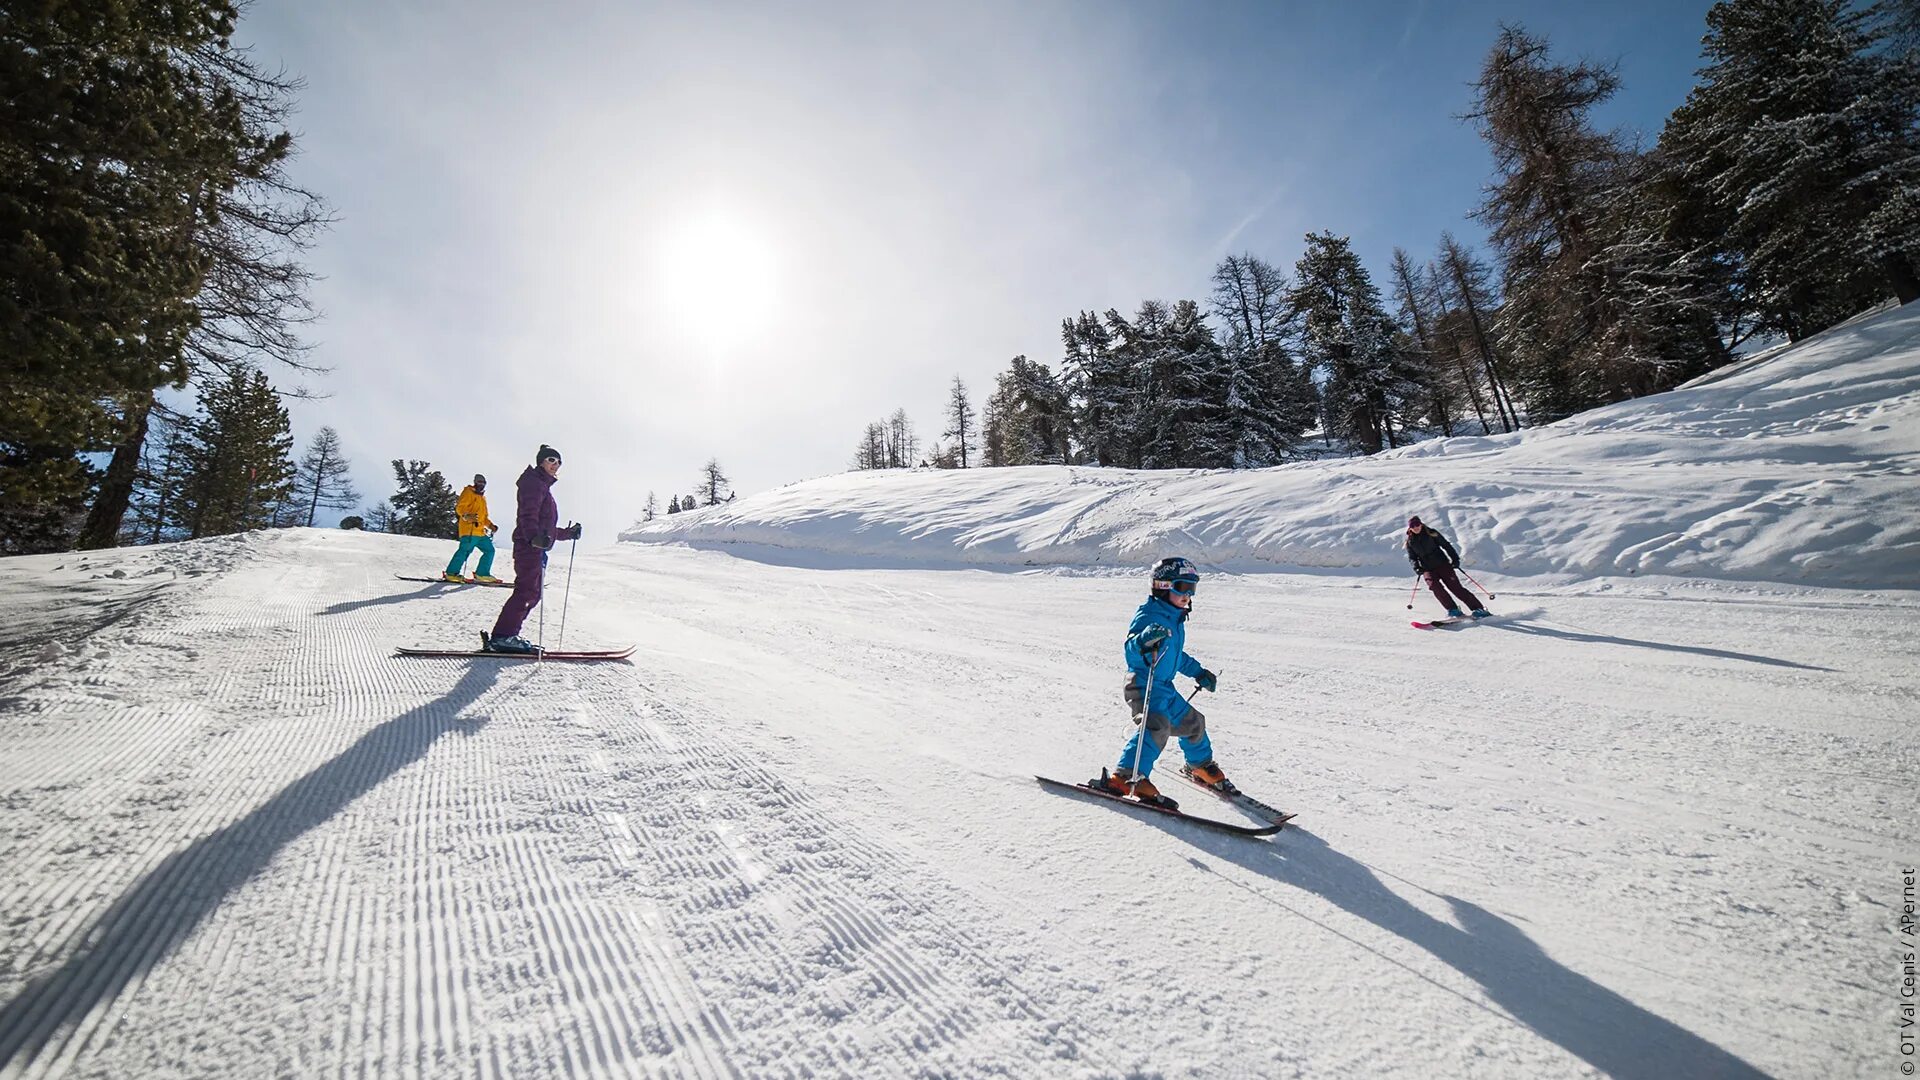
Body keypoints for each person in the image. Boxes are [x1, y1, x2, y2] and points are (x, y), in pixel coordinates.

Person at [1099, 557, 1229, 807]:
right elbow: (1131, 650)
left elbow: (1176, 656)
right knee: (1156, 726)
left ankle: (1199, 767)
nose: (1188, 595)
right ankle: (1126, 776)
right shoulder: (1150, 614)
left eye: (1193, 589)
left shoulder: (1176, 619)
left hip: (1164, 688)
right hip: (1142, 684)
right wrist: (1144, 640)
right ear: (1162, 586)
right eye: (1183, 587)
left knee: (1194, 723)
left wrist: (1199, 672)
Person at [485, 445, 583, 653]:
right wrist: (532, 538)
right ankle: (503, 636)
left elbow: (546, 527)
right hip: (529, 546)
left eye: (558, 462)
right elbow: (527, 515)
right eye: (551, 459)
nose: (555, 465)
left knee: (534, 592)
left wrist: (568, 533)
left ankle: (508, 635)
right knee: (527, 590)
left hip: (537, 547)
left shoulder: (543, 487)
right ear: (541, 461)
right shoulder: (534, 484)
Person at [1405, 515, 1489, 619]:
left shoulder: (1431, 533)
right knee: (1434, 587)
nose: (1416, 527)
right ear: (1410, 528)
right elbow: (1412, 557)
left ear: (1421, 524)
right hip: (1427, 568)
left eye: (1417, 524)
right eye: (1413, 526)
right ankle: (1453, 610)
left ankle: (1478, 609)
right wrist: (1416, 567)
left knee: (1455, 588)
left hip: (1442, 564)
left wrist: (1455, 559)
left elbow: (1446, 545)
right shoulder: (1410, 542)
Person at [443, 474, 501, 583]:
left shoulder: (482, 498)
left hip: (480, 532)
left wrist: (491, 526)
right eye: (479, 482)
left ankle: (482, 573)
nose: (481, 484)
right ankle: (451, 573)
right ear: (475, 482)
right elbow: (460, 507)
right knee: (464, 551)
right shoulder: (468, 492)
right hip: (469, 529)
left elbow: (484, 517)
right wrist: (466, 516)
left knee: (490, 550)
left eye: (483, 483)